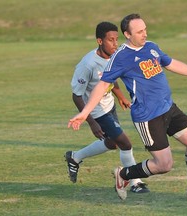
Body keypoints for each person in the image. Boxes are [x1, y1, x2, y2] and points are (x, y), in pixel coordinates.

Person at [68, 14, 187, 201]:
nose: (144, 34)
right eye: (139, 31)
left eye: (145, 30)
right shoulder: (121, 57)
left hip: (169, 108)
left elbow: (171, 64)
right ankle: (124, 175)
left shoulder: (151, 47)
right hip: (148, 117)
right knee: (164, 165)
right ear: (127, 34)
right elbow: (101, 86)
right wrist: (85, 113)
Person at [65, 21, 150, 194]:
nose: (115, 44)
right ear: (99, 41)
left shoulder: (113, 56)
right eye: (110, 40)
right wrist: (91, 122)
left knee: (112, 143)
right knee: (125, 143)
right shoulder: (88, 64)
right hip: (96, 111)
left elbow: (111, 77)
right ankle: (134, 181)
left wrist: (121, 97)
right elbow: (77, 95)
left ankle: (75, 157)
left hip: (108, 106)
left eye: (116, 39)